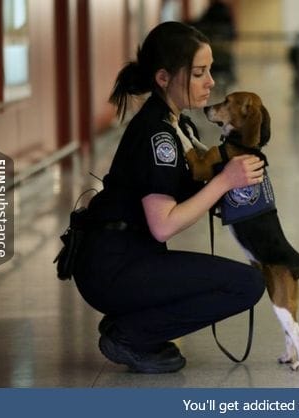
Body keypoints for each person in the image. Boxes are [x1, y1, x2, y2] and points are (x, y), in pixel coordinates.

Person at [72, 21, 266, 374]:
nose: (210, 82)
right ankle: (130, 334)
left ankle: (131, 324)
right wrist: (224, 182)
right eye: (198, 73)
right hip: (113, 267)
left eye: (209, 71)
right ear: (164, 78)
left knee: (243, 278)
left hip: (127, 258)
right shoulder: (157, 136)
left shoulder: (178, 125)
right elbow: (163, 226)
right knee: (247, 284)